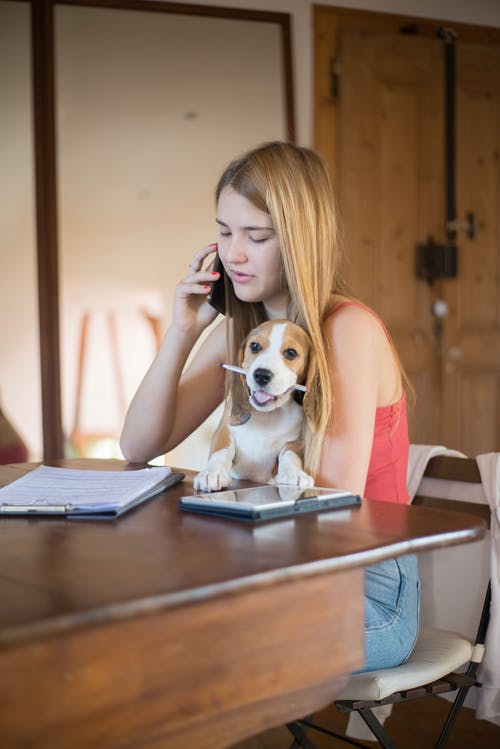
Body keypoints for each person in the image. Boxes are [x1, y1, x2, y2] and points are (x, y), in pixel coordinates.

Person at [120, 141, 419, 672]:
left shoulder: (347, 330)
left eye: (256, 236)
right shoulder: (247, 334)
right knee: (137, 625)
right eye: (225, 231)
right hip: (273, 563)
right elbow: (139, 445)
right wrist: (183, 332)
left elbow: (325, 505)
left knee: (184, 646)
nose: (232, 253)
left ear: (300, 241)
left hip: (366, 587)